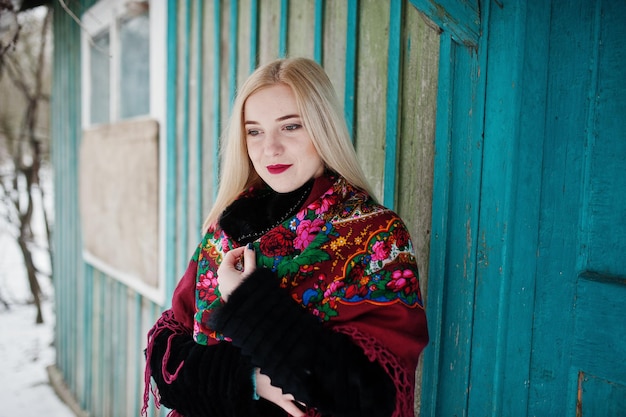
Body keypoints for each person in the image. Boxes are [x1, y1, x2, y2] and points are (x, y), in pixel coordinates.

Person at [142, 57, 428, 417]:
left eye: (290, 126)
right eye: (254, 131)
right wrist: (249, 379)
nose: (269, 148)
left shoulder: (375, 236)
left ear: (323, 129)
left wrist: (246, 299)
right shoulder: (225, 230)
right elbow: (167, 356)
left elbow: (368, 395)